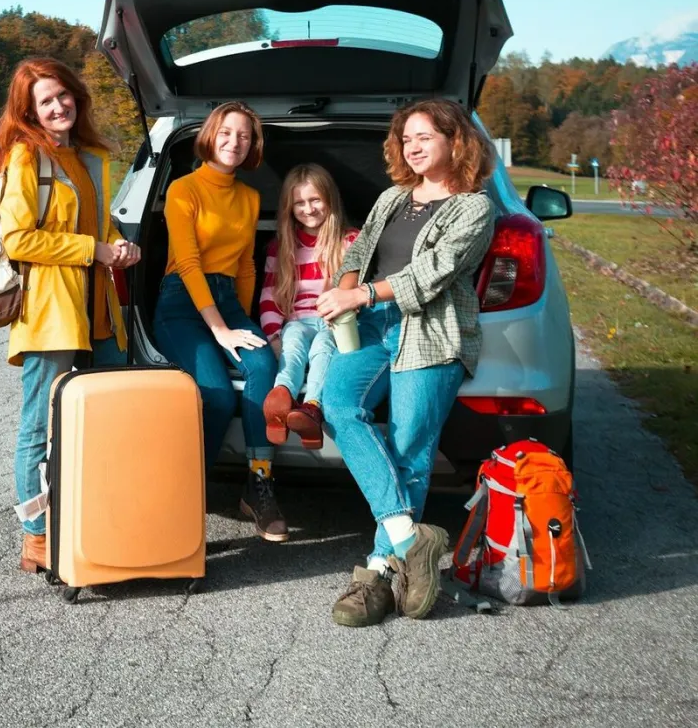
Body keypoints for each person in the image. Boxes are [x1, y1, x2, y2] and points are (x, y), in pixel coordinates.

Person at [315, 99, 496, 627]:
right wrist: (341, 296)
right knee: (339, 404)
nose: (412, 148)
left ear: (455, 141)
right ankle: (410, 538)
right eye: (406, 139)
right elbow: (358, 254)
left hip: (433, 334)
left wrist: (361, 295)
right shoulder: (394, 196)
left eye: (424, 137)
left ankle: (377, 573)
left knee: (410, 450)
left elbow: (429, 276)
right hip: (372, 327)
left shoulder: (474, 207)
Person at [0, 57, 142, 576]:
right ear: (28, 111)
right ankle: (35, 536)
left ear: (77, 95)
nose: (58, 106)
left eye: (62, 95)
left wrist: (119, 246)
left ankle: (96, 519)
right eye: (45, 101)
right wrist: (93, 250)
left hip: (100, 313)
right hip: (52, 314)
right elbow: (18, 239)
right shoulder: (26, 157)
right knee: (39, 427)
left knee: (108, 422)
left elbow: (100, 226)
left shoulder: (90, 156)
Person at [152, 101, 287, 542]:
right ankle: (186, 497)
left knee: (263, 365)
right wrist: (221, 331)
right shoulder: (183, 190)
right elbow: (189, 264)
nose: (235, 142)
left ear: (253, 144)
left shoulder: (249, 198)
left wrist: (245, 322)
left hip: (227, 298)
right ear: (211, 135)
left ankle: (258, 483)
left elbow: (246, 265)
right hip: (181, 302)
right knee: (217, 397)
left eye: (244, 135)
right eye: (227, 132)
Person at [259, 164, 358, 450]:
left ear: (330, 199)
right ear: (289, 208)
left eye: (315, 200)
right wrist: (273, 336)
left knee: (323, 349)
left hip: (333, 323)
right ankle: (282, 396)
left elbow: (357, 293)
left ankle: (310, 405)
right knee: (291, 346)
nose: (308, 208)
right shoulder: (282, 247)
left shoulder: (349, 240)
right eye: (299, 203)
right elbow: (269, 298)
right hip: (297, 321)